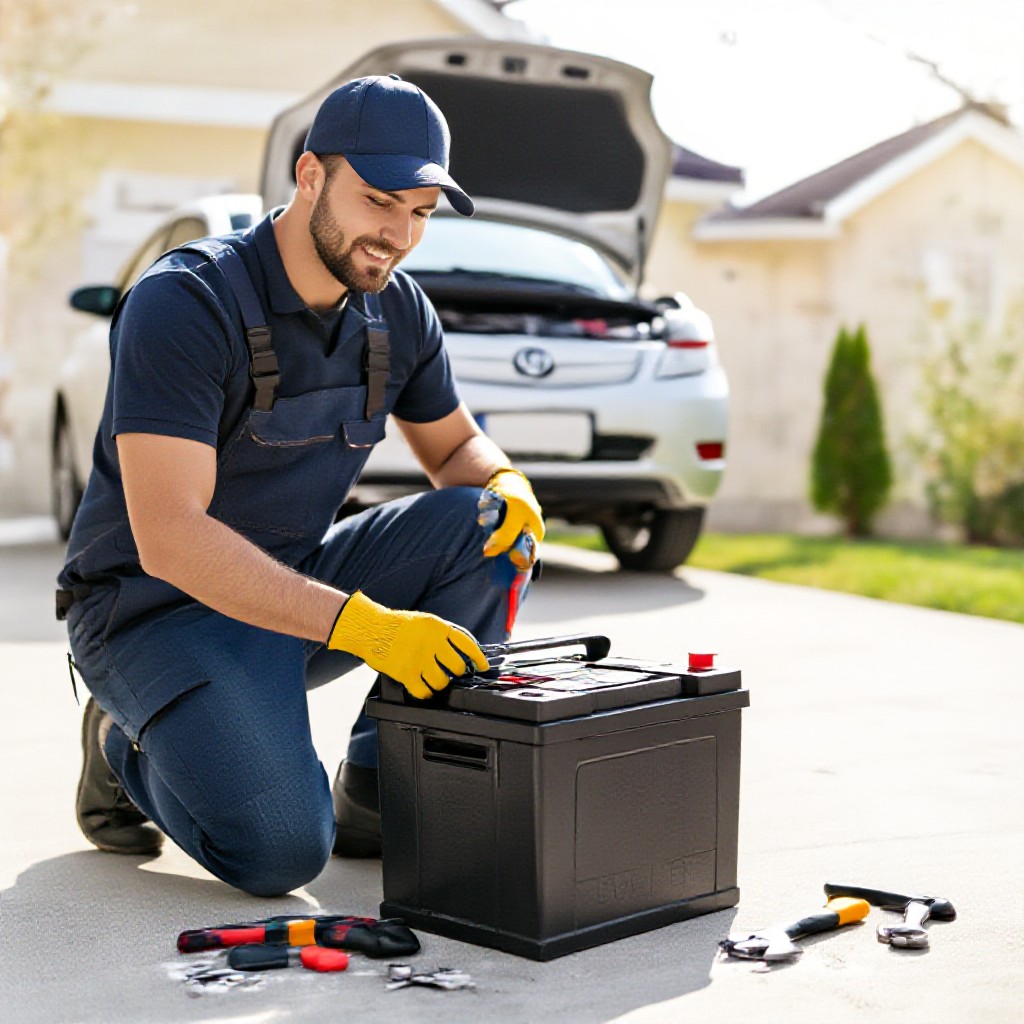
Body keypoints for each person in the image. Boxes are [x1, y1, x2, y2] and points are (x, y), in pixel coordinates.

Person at [57, 74, 545, 896]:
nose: (396, 234)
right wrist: (372, 629)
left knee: (487, 524)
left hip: (290, 590)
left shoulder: (398, 313)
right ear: (310, 175)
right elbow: (171, 536)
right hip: (150, 613)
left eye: (420, 213)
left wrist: (506, 479)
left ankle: (378, 787)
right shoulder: (187, 303)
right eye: (380, 200)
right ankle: (123, 740)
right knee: (279, 852)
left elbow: (457, 448)